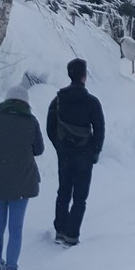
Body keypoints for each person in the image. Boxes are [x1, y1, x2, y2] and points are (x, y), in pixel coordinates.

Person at [0, 82, 44, 270]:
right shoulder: (31, 123)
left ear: (6, 101)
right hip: (22, 184)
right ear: (26, 104)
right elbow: (39, 150)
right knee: (16, 228)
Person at [46, 58, 104, 246]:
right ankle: (72, 234)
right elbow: (100, 129)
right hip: (84, 155)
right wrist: (94, 151)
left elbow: (50, 127)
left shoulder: (58, 100)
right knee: (80, 196)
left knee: (63, 191)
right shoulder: (92, 102)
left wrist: (60, 146)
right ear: (84, 76)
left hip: (65, 154)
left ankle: (60, 230)